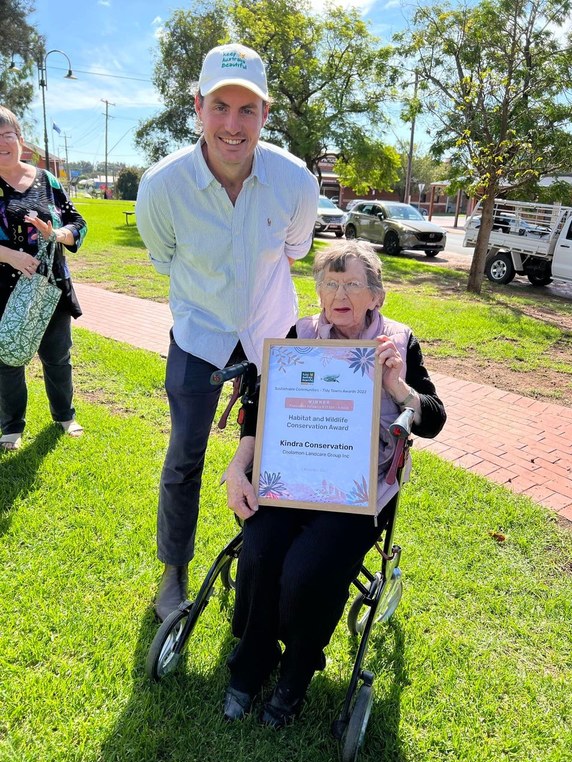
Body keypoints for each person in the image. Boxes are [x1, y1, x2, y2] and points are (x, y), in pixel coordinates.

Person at [222, 239, 447, 726]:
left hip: (357, 490)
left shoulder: (399, 341)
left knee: (307, 571)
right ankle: (251, 663)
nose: (339, 293)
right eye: (329, 283)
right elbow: (259, 406)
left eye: (352, 284)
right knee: (259, 550)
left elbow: (433, 418)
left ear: (376, 296)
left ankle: (295, 674)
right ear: (319, 293)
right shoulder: (300, 333)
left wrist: (398, 388)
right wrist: (239, 466)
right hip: (292, 475)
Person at [136, 43, 319, 621]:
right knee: (184, 458)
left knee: (280, 454)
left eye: (247, 110)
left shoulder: (295, 182)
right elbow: (165, 259)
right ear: (197, 107)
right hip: (198, 336)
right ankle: (173, 573)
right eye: (220, 107)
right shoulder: (162, 187)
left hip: (272, 335)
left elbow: (294, 250)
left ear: (265, 114)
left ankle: (269, 566)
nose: (233, 126)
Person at [0, 106, 87, 452]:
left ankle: (65, 416)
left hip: (50, 288)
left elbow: (77, 222)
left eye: (8, 136)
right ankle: (11, 427)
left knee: (57, 355)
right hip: (3, 289)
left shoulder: (46, 181)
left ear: (21, 141)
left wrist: (59, 234)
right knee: (7, 356)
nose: (2, 143)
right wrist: (11, 256)